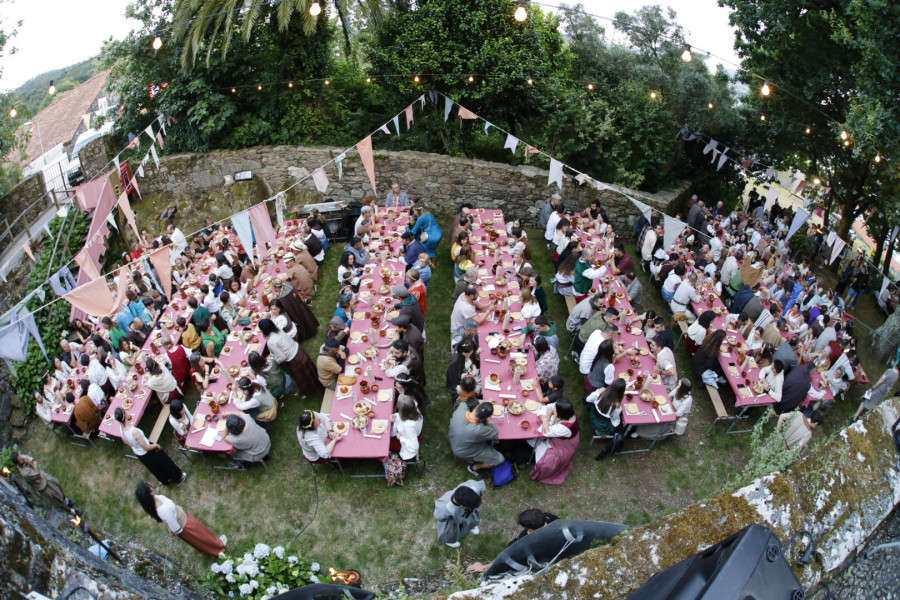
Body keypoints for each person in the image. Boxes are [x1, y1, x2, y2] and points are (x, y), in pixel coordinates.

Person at [135, 481, 226, 557]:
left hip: (184, 517)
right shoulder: (162, 510)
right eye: (149, 486)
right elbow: (176, 528)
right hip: (186, 525)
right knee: (202, 537)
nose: (151, 485)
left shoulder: (157, 498)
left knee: (203, 534)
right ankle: (218, 549)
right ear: (149, 492)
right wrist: (187, 532)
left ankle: (214, 545)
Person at [116, 408, 186, 485]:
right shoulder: (134, 432)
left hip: (139, 453)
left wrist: (133, 445)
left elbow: (124, 440)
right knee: (165, 462)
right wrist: (156, 445)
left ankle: (165, 480)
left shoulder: (121, 429)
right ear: (125, 414)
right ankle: (178, 477)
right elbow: (146, 447)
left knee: (154, 468)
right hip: (147, 450)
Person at [259, 318, 319, 395]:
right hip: (299, 349)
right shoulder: (278, 329)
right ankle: (317, 383)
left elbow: (282, 357)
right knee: (309, 370)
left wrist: (275, 360)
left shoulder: (271, 341)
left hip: (294, 359)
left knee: (302, 378)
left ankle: (309, 392)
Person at [529, 400, 580, 484]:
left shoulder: (563, 428)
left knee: (532, 440)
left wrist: (547, 418)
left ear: (561, 414)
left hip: (562, 445)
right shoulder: (566, 411)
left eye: (555, 412)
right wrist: (547, 418)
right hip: (562, 435)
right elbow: (544, 408)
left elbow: (543, 431)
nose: (553, 411)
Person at [448, 401, 504, 478]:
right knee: (500, 459)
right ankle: (475, 467)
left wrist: (483, 402)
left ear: (477, 407)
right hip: (464, 451)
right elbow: (494, 432)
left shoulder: (462, 408)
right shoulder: (478, 430)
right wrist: (489, 419)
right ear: (484, 418)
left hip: (454, 438)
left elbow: (466, 401)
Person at [433, 480, 487, 548]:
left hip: (469, 514)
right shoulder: (444, 507)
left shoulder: (474, 487)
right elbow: (439, 516)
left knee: (472, 520)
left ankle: (472, 526)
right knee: (451, 532)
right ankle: (450, 541)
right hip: (454, 520)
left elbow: (482, 487)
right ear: (462, 506)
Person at [11, 452, 75, 509]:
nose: (22, 459)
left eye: (20, 457)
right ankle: (71, 510)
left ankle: (67, 501)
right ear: (18, 463)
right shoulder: (24, 473)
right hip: (42, 486)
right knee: (55, 497)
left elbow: (33, 460)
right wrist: (31, 464)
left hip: (43, 476)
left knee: (57, 485)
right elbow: (37, 473)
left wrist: (32, 464)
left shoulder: (22, 458)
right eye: (20, 460)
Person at [587, 379, 625, 456]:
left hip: (593, 415)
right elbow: (615, 420)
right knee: (621, 424)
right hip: (603, 425)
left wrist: (597, 392)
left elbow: (588, 399)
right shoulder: (616, 406)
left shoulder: (600, 393)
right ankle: (605, 434)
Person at [391, 390, 424, 460]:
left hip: (409, 443)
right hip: (415, 435)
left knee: (386, 444)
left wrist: (401, 438)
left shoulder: (409, 426)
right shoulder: (416, 412)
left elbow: (414, 446)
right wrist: (396, 415)